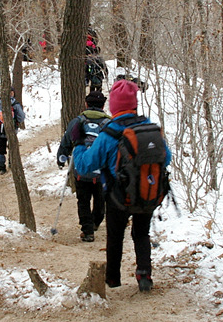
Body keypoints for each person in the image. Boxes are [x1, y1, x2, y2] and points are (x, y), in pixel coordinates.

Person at [72, 79, 172, 292]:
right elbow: (167, 157)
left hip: (118, 196)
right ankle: (144, 275)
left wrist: (79, 144)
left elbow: (85, 166)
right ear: (134, 103)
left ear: (114, 106)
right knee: (141, 233)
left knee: (115, 236)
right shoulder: (149, 127)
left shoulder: (109, 134)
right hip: (147, 192)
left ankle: (113, 279)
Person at [57, 90, 111, 242]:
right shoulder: (109, 124)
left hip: (80, 169)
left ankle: (87, 231)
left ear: (86, 104)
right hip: (101, 171)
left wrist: (61, 158)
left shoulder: (78, 122)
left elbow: (66, 141)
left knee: (83, 200)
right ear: (103, 105)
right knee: (100, 199)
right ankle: (96, 221)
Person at [0, 88, 26, 174]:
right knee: (12, 147)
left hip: (0, 131)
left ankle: (2, 167)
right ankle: (12, 163)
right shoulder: (15, 104)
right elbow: (21, 117)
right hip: (12, 131)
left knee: (1, 149)